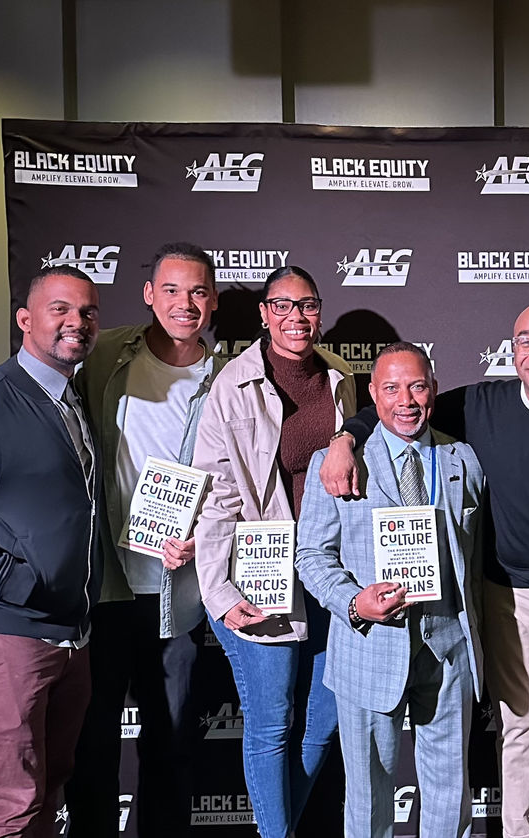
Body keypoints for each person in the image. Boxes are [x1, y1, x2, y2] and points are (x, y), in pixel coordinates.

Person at [321, 302, 529, 838]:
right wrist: (344, 437)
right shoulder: (478, 405)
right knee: (515, 731)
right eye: (525, 341)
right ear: (511, 352)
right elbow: (398, 399)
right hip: (503, 596)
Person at [192, 266, 356, 838]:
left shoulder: (339, 380)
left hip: (326, 568)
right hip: (259, 572)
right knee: (270, 727)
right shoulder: (232, 385)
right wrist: (218, 589)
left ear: (320, 311)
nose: (296, 318)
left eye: (307, 305)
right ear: (263, 313)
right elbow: (215, 495)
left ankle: (279, 828)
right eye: (282, 306)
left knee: (324, 718)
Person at [0, 266, 103, 838]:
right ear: (25, 320)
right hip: (2, 636)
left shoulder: (70, 397)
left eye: (86, 311)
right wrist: (14, 584)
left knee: (45, 790)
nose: (75, 322)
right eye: (60, 309)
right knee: (9, 808)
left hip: (66, 631)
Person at [63, 242, 220, 838]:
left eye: (198, 291)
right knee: (93, 736)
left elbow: (235, 478)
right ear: (149, 294)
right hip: (105, 582)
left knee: (172, 739)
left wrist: (202, 537)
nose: (186, 304)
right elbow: (37, 384)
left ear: (213, 301)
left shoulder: (228, 376)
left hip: (178, 588)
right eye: (172, 290)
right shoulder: (103, 352)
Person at [296, 342, 485, 838]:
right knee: (367, 795)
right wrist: (353, 602)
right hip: (368, 650)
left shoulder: (461, 459)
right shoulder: (334, 463)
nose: (407, 400)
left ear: (434, 390)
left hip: (447, 649)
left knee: (448, 789)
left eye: (418, 386)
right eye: (392, 388)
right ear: (373, 397)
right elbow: (311, 556)